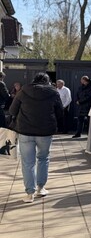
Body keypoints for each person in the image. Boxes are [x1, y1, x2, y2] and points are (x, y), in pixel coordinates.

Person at [9, 72, 63, 203]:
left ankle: (29, 193)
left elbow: (12, 110)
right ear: (48, 81)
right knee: (43, 159)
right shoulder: (53, 92)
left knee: (28, 162)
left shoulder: (23, 91)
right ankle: (41, 188)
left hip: (25, 131)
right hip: (45, 132)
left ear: (34, 80)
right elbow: (60, 112)